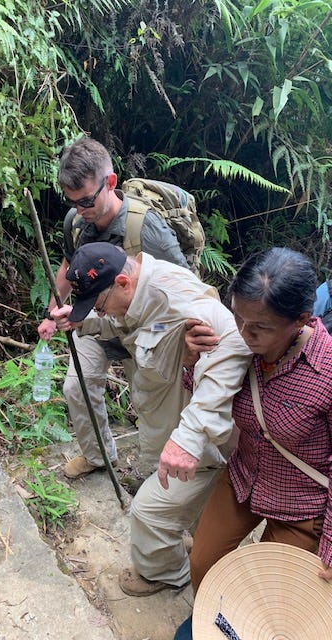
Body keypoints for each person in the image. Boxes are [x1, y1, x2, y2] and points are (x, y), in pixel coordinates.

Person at [51, 241, 252, 593]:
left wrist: (188, 439)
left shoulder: (176, 296)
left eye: (98, 304)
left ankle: (167, 573)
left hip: (198, 441)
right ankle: (203, 552)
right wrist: (82, 321)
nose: (101, 311)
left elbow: (235, 339)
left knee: (147, 512)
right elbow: (124, 324)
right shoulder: (134, 290)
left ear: (123, 283)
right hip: (166, 422)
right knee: (198, 515)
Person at [172, 247, 332, 640]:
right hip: (243, 478)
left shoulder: (326, 371)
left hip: (301, 505)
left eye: (259, 327)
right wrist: (194, 363)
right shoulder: (237, 344)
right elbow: (208, 396)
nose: (243, 333)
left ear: (300, 320)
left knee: (269, 603)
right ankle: (211, 622)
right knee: (203, 561)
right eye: (237, 316)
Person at [38, 136, 192, 480]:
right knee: (77, 387)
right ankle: (98, 456)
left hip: (142, 327)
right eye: (72, 201)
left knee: (149, 404)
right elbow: (67, 266)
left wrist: (191, 345)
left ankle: (154, 475)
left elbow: (185, 285)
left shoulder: (146, 228)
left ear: (110, 182)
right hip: (90, 313)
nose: (81, 209)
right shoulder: (76, 221)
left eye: (87, 200)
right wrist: (52, 313)